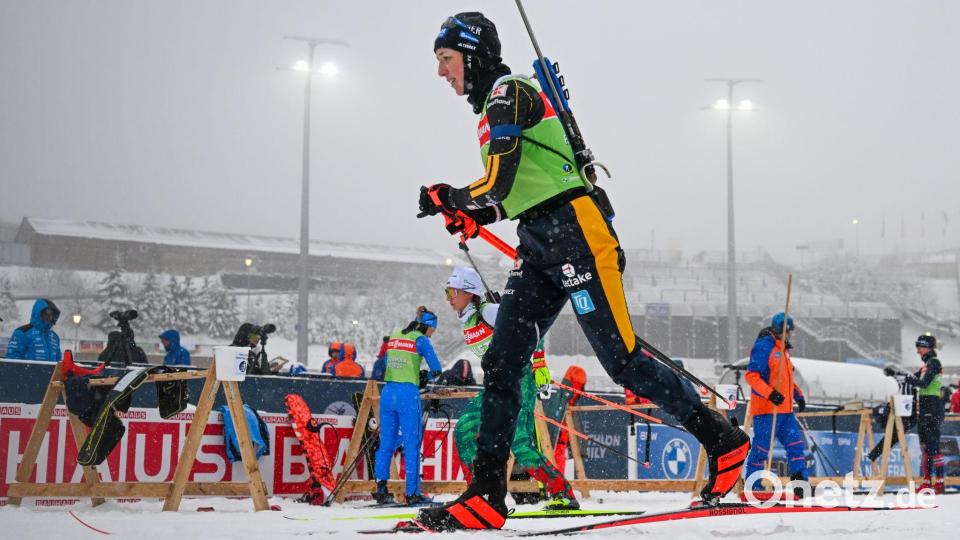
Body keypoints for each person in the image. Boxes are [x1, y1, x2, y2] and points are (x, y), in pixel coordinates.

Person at [417, 12, 748, 529]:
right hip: (539, 241)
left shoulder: (509, 92)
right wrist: (467, 209)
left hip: (578, 233)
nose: (441, 73)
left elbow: (497, 184)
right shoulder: (488, 111)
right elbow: (513, 196)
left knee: (624, 362)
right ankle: (485, 494)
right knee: (503, 363)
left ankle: (723, 441)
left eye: (445, 59)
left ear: (473, 56)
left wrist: (456, 197)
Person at [444, 266, 579, 510]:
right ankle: (477, 493)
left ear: (469, 292)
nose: (449, 297)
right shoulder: (470, 319)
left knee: (519, 443)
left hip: (519, 378)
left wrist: (539, 365)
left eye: (452, 291)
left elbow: (530, 328)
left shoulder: (489, 311)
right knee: (464, 429)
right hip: (496, 383)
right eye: (447, 292)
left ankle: (563, 494)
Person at [372, 307, 443, 505]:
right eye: (432, 330)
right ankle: (413, 494)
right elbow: (436, 369)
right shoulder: (421, 340)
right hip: (407, 396)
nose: (432, 334)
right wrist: (425, 377)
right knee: (412, 445)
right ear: (427, 327)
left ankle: (381, 490)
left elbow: (387, 362)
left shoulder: (394, 337)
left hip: (388, 393)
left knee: (386, 444)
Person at [743, 313, 808, 496]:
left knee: (796, 446)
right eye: (787, 331)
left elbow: (786, 380)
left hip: (786, 411)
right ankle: (753, 486)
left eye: (790, 332)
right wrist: (770, 394)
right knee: (761, 449)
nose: (789, 335)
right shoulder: (764, 347)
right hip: (766, 410)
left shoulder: (784, 350)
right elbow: (752, 376)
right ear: (780, 330)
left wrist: (798, 395)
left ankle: (800, 486)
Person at [886, 334, 945, 493]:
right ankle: (927, 482)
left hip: (932, 407)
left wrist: (907, 378)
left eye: (920, 347)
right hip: (925, 407)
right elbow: (912, 378)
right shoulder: (926, 365)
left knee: (933, 447)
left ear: (928, 347)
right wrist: (895, 374)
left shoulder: (934, 363)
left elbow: (923, 383)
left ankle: (938, 482)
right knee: (925, 447)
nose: (918, 351)